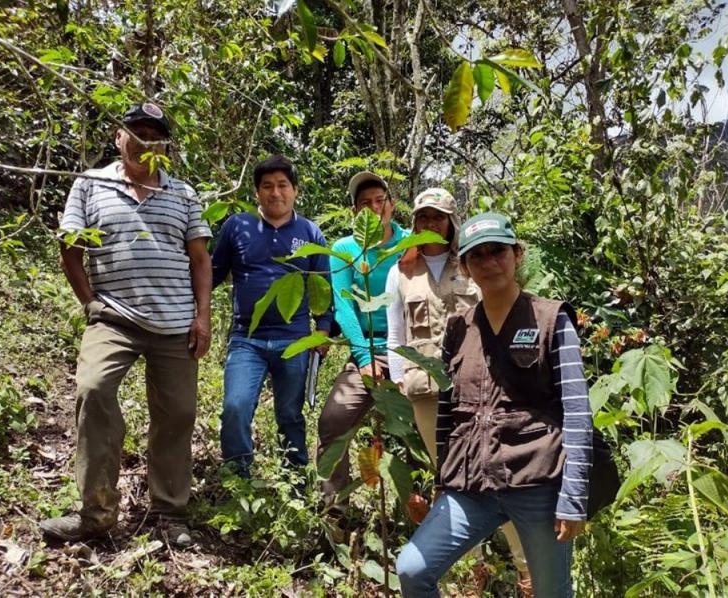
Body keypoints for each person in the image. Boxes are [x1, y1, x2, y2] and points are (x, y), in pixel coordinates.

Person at [40, 102, 212, 547]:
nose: (143, 141)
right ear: (119, 136)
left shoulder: (183, 194)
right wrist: (90, 303)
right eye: (136, 132)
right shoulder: (90, 184)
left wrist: (203, 316)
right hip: (113, 318)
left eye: (154, 135)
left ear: (165, 146)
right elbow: (70, 248)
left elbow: (200, 259)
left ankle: (169, 513)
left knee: (178, 414)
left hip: (175, 323)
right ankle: (95, 513)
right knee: (93, 390)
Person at [396, 213, 593, 597]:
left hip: (537, 482)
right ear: (466, 268)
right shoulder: (458, 327)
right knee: (412, 569)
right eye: (477, 256)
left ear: (517, 255)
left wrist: (573, 496)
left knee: (552, 591)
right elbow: (449, 411)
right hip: (471, 485)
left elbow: (578, 411)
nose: (489, 262)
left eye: (498, 251)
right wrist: (443, 479)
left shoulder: (552, 319)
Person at [386, 191, 533, 594]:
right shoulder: (400, 270)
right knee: (453, 482)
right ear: (414, 222)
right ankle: (474, 570)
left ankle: (527, 570)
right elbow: (395, 331)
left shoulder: (472, 261)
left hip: (481, 389)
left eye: (440, 217)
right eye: (424, 217)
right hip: (426, 393)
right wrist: (399, 378)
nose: (431, 223)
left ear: (452, 221)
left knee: (501, 478)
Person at [211, 155, 333, 478]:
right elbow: (210, 275)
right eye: (267, 186)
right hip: (246, 339)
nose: (275, 193)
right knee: (235, 408)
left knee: (290, 414)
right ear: (257, 192)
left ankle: (294, 479)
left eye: (282, 185)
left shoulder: (310, 233)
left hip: (294, 340)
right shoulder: (237, 226)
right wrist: (195, 314)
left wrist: (322, 330)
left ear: (294, 190)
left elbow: (323, 289)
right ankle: (239, 480)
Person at [316, 171, 408, 506]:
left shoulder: (409, 243)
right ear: (355, 212)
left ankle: (424, 506)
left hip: (408, 350)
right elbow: (343, 307)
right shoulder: (344, 249)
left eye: (379, 201)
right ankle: (335, 505)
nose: (373, 208)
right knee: (333, 421)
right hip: (366, 347)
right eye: (364, 203)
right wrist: (366, 359)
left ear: (391, 205)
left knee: (421, 429)